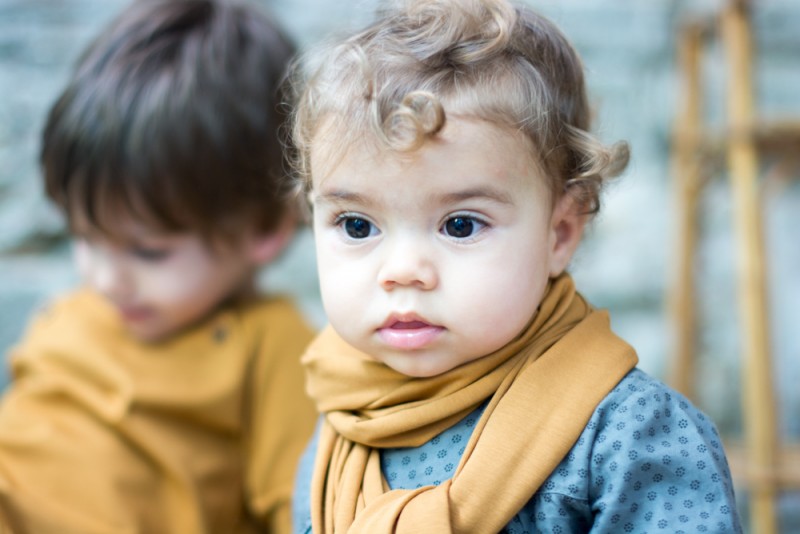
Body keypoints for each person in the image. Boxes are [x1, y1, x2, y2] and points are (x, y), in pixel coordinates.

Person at [288, 0, 743, 532]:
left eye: (460, 225)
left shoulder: (628, 436)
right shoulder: (341, 423)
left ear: (560, 232)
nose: (403, 271)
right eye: (357, 225)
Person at [0, 0, 317, 532]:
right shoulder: (74, 314)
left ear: (263, 228)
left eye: (147, 252)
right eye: (84, 237)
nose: (104, 279)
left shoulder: (275, 348)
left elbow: (304, 511)